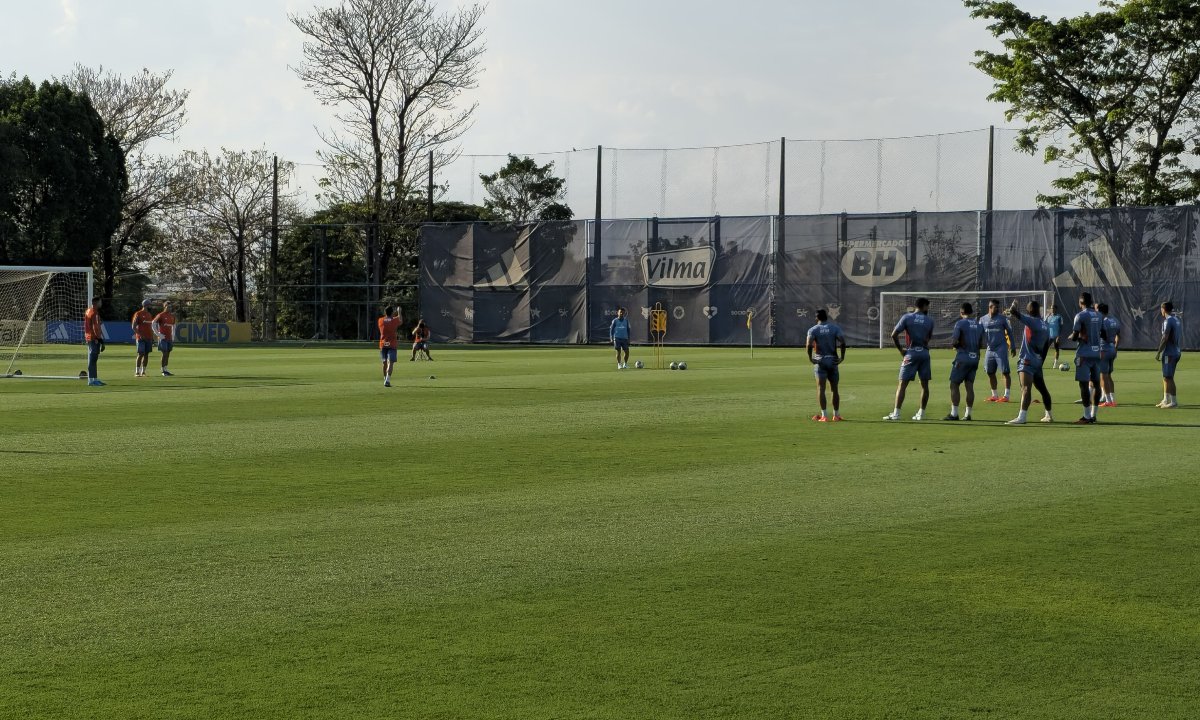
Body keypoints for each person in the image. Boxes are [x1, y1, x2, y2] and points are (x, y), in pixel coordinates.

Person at [884, 297, 934, 421]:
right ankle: (921, 413)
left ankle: (896, 413)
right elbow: (928, 338)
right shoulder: (930, 320)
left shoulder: (907, 317)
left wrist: (901, 350)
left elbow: (893, 334)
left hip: (911, 354)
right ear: (923, 306)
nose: (928, 309)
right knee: (924, 385)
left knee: (902, 384)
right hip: (924, 354)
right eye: (927, 306)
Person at [1004, 299, 1054, 424]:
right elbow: (1047, 344)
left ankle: (1022, 417)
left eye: (1027, 308)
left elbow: (1014, 312)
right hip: (1037, 360)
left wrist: (1014, 306)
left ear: (1030, 310)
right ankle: (1048, 415)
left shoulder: (1031, 321)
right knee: (1042, 389)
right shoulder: (1045, 325)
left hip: (1027, 360)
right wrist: (1041, 359)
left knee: (1026, 388)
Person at [1069, 291, 1106, 424]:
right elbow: (1105, 335)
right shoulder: (1099, 315)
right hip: (1096, 354)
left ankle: (1086, 416)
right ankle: (1093, 415)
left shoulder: (1080, 316)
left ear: (1081, 302)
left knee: (1084, 385)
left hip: (1083, 354)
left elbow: (1074, 337)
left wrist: (1076, 336)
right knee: (1096, 384)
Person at [944, 302, 983, 421]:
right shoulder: (979, 325)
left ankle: (954, 414)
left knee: (954, 384)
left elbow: (954, 341)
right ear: (971, 312)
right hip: (975, 358)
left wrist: (957, 345)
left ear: (961, 312)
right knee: (969, 386)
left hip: (963, 358)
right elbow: (981, 344)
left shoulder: (960, 323)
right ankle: (967, 414)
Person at [806, 308, 846, 422]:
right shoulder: (834, 328)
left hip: (820, 362)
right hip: (833, 361)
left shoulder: (813, 330)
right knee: (834, 389)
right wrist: (842, 357)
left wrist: (810, 358)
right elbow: (842, 342)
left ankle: (824, 416)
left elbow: (809, 345)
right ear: (827, 317)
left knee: (821, 389)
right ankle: (836, 415)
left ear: (816, 318)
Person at [981, 298, 1015, 402]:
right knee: (990, 372)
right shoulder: (982, 319)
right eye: (996, 307)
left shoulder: (1003, 319)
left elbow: (1009, 332)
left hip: (1001, 348)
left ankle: (1006, 396)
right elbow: (979, 333)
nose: (998, 309)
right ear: (990, 307)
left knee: (1005, 372)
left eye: (998, 307)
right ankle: (994, 395)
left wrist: (1012, 346)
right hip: (989, 349)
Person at [1155, 301, 1182, 408]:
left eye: (1161, 309)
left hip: (1169, 353)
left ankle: (1174, 402)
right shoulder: (1176, 319)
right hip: (1176, 351)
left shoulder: (1168, 321)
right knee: (1166, 377)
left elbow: (1165, 338)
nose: (1160, 311)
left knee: (1169, 377)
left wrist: (1158, 352)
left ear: (1163, 309)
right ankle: (1165, 399)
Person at [1097, 303, 1120, 406]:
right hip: (1112, 348)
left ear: (1100, 311)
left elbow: (1102, 335)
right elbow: (1119, 335)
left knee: (1103, 376)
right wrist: (1115, 348)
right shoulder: (1115, 320)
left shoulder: (1102, 321)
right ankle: (1112, 399)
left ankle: (1108, 400)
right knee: (1109, 375)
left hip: (1104, 349)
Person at [377, 306, 402, 387]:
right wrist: (399, 312)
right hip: (392, 344)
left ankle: (385, 379)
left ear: (385, 312)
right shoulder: (394, 320)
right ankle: (387, 380)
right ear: (392, 313)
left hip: (383, 344)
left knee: (384, 363)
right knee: (390, 363)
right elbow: (400, 321)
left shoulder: (380, 320)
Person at [84, 296, 105, 387]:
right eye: (100, 302)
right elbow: (95, 327)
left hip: (90, 337)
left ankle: (94, 379)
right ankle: (91, 380)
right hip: (94, 338)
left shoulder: (88, 311)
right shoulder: (94, 313)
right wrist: (99, 339)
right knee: (93, 359)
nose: (101, 303)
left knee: (93, 359)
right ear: (96, 303)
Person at [131, 299, 155, 378]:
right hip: (141, 338)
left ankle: (143, 371)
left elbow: (150, 327)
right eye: (149, 305)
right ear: (146, 305)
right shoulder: (138, 314)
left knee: (146, 354)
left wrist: (152, 337)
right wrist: (140, 334)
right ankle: (137, 371)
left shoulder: (149, 314)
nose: (150, 306)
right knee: (140, 354)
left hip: (148, 337)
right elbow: (133, 327)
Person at [152, 300, 176, 377]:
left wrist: (173, 336)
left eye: (170, 307)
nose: (169, 308)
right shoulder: (161, 315)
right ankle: (163, 370)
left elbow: (173, 326)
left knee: (168, 354)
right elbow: (153, 323)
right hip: (163, 338)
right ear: (164, 307)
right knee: (164, 353)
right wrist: (158, 334)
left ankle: (166, 369)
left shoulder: (172, 316)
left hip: (169, 338)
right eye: (168, 307)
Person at [1046, 302, 1064, 367]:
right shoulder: (1048, 317)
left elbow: (1061, 327)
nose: (1052, 309)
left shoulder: (1059, 317)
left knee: (1056, 349)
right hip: (1049, 336)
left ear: (1056, 309)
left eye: (1053, 308)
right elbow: (1044, 324)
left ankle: (1055, 364)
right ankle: (1041, 362)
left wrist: (1058, 336)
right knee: (1045, 349)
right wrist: (1047, 317)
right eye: (1051, 308)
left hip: (1056, 336)